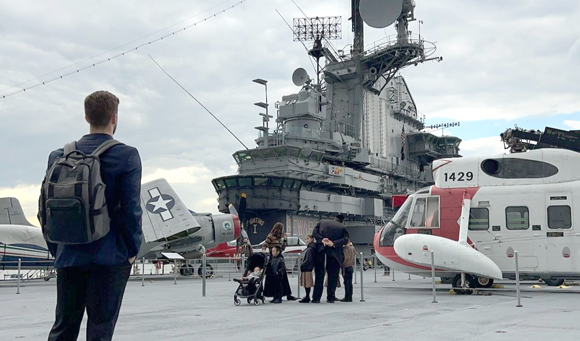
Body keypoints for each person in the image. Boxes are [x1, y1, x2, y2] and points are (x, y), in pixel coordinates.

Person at [44, 91, 142, 341]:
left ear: (86, 117)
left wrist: (59, 249)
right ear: (115, 119)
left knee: (63, 327)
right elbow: (132, 211)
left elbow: (44, 209)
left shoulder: (59, 156)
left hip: (69, 254)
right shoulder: (127, 156)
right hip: (110, 257)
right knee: (100, 329)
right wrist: (132, 251)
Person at [312, 214, 350, 303]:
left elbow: (314, 232)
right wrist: (333, 243)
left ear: (334, 218)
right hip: (335, 254)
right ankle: (331, 297)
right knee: (333, 277)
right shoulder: (342, 227)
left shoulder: (321, 222)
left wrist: (322, 239)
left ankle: (316, 298)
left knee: (319, 276)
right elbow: (346, 239)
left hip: (321, 251)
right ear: (342, 221)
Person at [262, 223, 297, 301]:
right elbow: (265, 243)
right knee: (274, 277)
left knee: (283, 277)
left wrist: (284, 239)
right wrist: (264, 249)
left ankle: (287, 294)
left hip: (279, 257)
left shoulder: (278, 238)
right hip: (273, 257)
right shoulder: (270, 236)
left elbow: (282, 248)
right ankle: (276, 295)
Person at [298, 235, 316, 303]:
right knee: (306, 283)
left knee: (307, 283)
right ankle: (307, 296)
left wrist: (302, 265)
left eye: (308, 238)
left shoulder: (310, 249)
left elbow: (309, 259)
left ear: (311, 239)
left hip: (307, 268)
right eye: (305, 239)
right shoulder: (310, 248)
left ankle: (307, 296)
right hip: (308, 268)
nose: (306, 240)